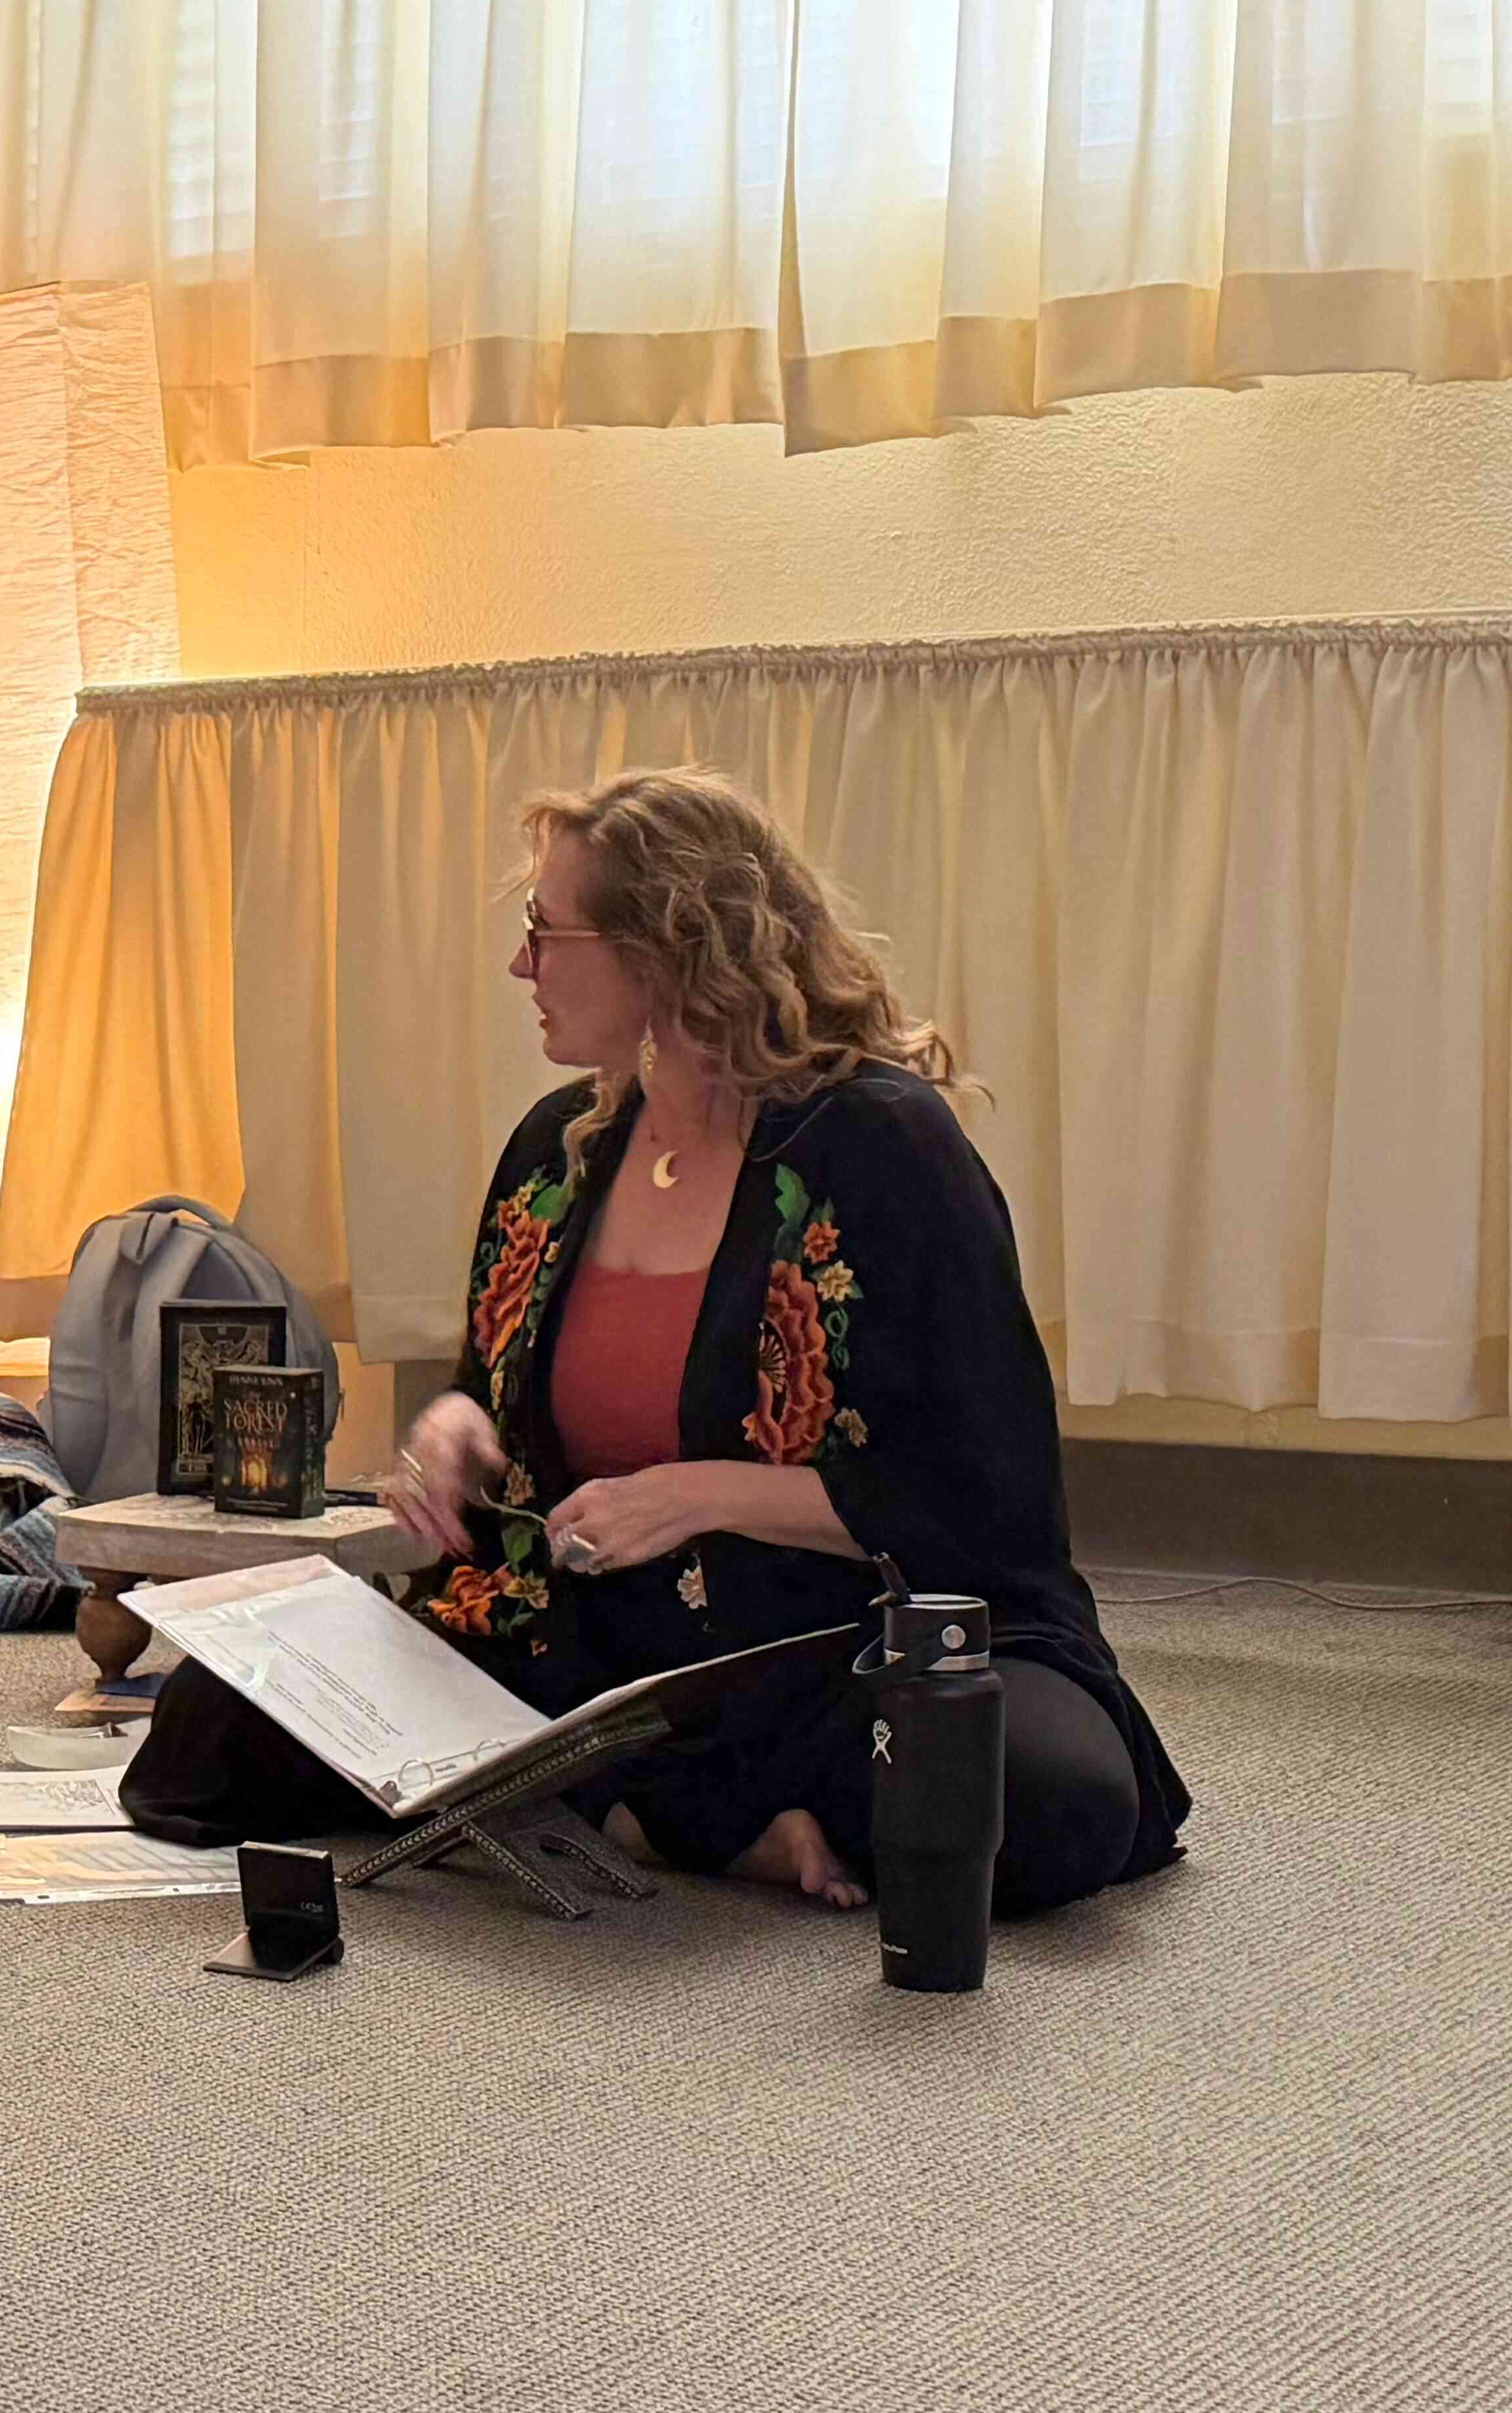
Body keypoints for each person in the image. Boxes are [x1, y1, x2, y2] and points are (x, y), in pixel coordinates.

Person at [122, 767, 1189, 1916]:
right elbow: (493, 1395)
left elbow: (988, 1500)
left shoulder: (883, 1148)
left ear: (664, 947)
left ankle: (626, 1806)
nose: (519, 966)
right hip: (590, 1642)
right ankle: (699, 1822)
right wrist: (450, 1429)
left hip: (823, 1641)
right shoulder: (557, 1146)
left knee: (1045, 1798)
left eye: (544, 931)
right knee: (206, 1727)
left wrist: (702, 1493)